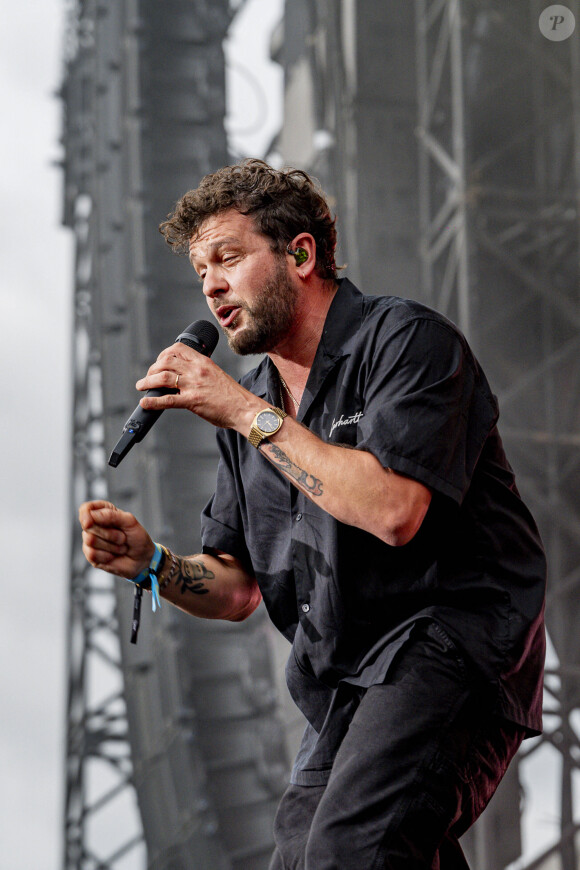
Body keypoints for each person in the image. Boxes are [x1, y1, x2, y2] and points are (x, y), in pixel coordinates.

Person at [79, 158, 546, 869]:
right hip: (345, 686)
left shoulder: (404, 342)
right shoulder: (254, 407)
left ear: (300, 254)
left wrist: (240, 409)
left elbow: (393, 510)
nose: (211, 284)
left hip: (450, 644)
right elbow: (237, 589)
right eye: (201, 269)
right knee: (307, 859)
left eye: (229, 257)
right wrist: (153, 565)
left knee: (348, 851)